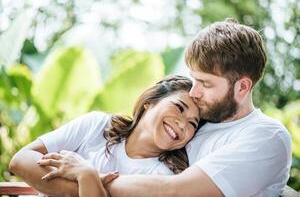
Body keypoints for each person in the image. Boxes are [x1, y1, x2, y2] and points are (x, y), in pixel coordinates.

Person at [37, 18, 292, 197]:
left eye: (205, 83)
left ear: (242, 87)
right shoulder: (201, 123)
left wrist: (87, 178)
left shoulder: (265, 136)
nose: (194, 92)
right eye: (194, 80)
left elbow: (174, 191)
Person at [9, 75, 201, 196]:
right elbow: (21, 160)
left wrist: (86, 174)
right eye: (179, 107)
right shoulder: (97, 125)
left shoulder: (164, 178)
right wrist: (90, 189)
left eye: (193, 123)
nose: (182, 124)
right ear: (149, 102)